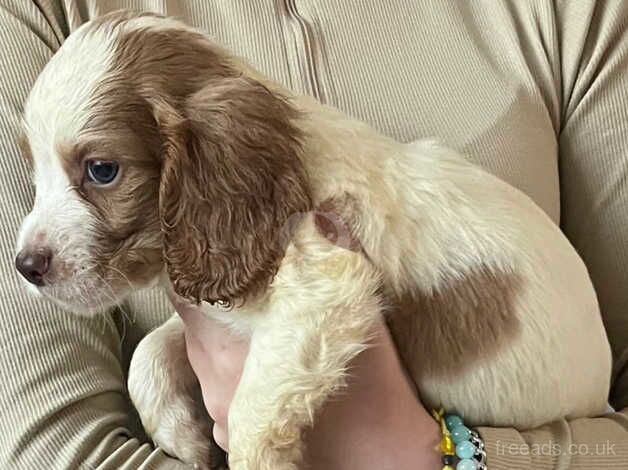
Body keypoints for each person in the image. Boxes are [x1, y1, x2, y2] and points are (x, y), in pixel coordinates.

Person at [1, 1, 627, 469]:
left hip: (547, 405)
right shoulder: (37, 15)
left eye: (102, 171)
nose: (35, 238)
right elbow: (49, 444)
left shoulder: (570, 15)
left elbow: (306, 302)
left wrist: (423, 457)